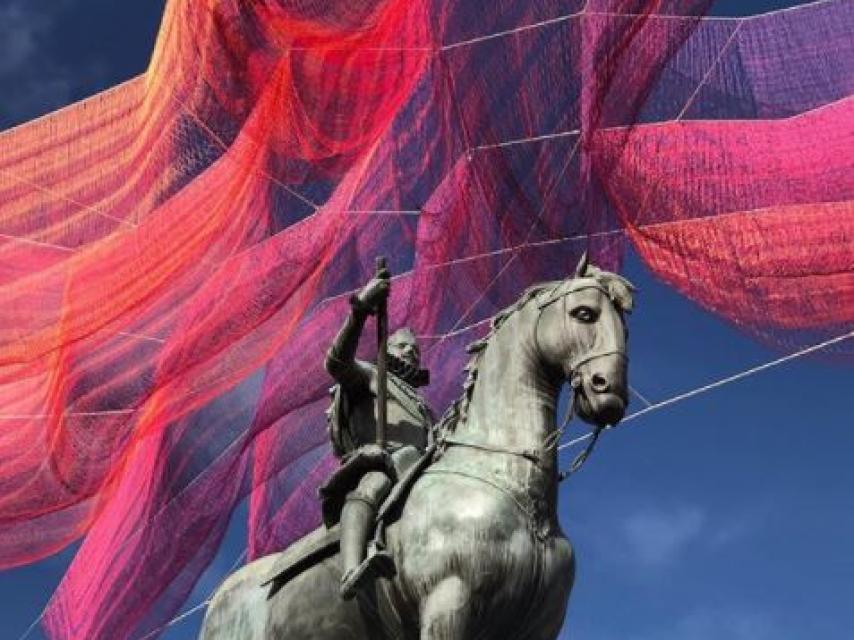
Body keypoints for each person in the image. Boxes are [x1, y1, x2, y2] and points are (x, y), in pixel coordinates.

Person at [320, 267, 433, 599]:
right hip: (381, 461)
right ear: (388, 349)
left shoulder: (424, 406)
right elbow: (337, 362)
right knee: (373, 487)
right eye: (402, 347)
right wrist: (361, 310)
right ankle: (352, 568)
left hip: (419, 468)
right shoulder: (372, 374)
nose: (410, 353)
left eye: (415, 350)